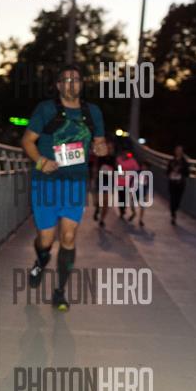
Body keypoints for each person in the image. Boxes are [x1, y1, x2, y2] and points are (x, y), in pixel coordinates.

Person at [22, 64, 107, 311]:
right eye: (66, 80)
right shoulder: (46, 109)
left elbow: (100, 143)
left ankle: (60, 291)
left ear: (82, 84)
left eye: (76, 80)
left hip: (75, 183)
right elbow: (27, 141)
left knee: (68, 236)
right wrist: (41, 161)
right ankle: (41, 260)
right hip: (46, 182)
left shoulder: (92, 112)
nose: (71, 84)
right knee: (46, 240)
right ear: (58, 86)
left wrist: (101, 148)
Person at [93, 139, 116, 227]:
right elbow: (96, 167)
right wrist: (95, 176)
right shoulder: (100, 157)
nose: (109, 149)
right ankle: (97, 209)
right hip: (100, 180)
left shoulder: (114, 158)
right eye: (108, 147)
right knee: (99, 200)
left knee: (106, 203)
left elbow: (117, 169)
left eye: (111, 148)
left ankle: (102, 220)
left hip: (109, 181)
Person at [166, 145, 189, 225]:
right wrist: (170, 173)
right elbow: (167, 171)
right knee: (172, 198)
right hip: (172, 182)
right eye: (177, 150)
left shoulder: (184, 162)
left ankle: (174, 210)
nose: (178, 152)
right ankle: (173, 215)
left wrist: (179, 171)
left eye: (180, 150)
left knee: (178, 199)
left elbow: (187, 173)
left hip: (180, 183)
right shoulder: (171, 161)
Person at [115, 149, 140, 221]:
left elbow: (137, 169)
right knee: (121, 196)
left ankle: (124, 208)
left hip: (128, 182)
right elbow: (118, 168)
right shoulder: (119, 159)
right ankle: (121, 210)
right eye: (124, 153)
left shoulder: (132, 160)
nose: (125, 154)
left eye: (127, 153)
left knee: (125, 197)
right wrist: (121, 171)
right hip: (120, 181)